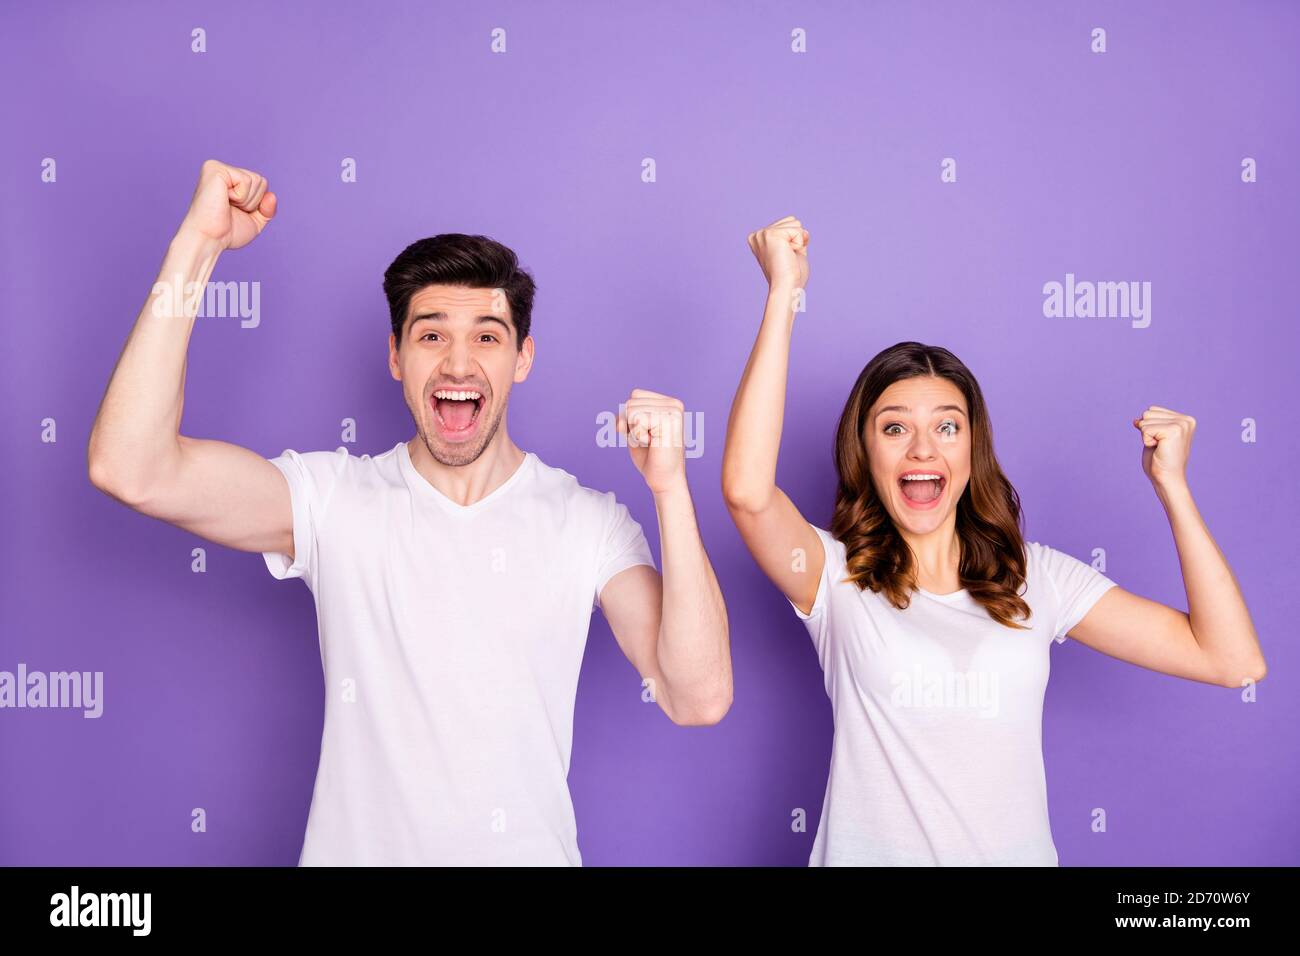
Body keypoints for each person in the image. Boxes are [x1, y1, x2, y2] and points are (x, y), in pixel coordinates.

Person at [87, 159, 731, 866]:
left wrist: (671, 491)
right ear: (396, 356)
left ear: (523, 358)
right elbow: (131, 467)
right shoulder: (333, 500)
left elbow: (695, 696)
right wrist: (198, 245)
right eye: (431, 335)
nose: (458, 364)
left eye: (487, 336)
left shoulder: (587, 523)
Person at [721, 215, 1266, 866]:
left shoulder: (1040, 580)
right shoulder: (834, 578)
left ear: (972, 447)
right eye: (894, 429)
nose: (923, 446)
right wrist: (785, 292)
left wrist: (1173, 487)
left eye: (946, 427)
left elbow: (1232, 661)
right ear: (863, 452)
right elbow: (748, 493)